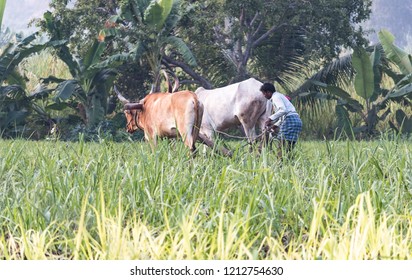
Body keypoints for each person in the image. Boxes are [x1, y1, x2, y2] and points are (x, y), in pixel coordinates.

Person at [260, 82, 302, 160]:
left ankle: (280, 165)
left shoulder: (276, 97)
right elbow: (284, 115)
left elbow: (283, 110)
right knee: (288, 147)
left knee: (282, 147)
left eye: (264, 93)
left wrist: (270, 119)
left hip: (290, 121)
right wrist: (275, 125)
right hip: (296, 120)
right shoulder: (280, 96)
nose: (264, 96)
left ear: (268, 92)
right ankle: (289, 165)